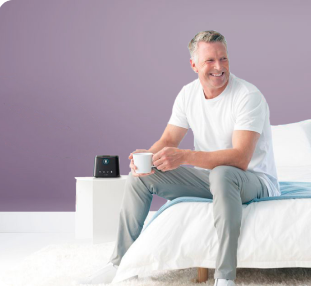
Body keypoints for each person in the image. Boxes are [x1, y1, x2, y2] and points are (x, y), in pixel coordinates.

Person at [76, 30, 280, 286]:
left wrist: (185, 157)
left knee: (223, 172)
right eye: (210, 61)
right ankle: (119, 264)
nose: (219, 67)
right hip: (213, 180)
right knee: (141, 177)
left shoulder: (248, 97)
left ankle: (225, 277)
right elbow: (169, 140)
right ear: (194, 65)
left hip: (255, 181)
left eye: (224, 59)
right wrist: (146, 158)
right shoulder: (188, 94)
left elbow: (240, 158)